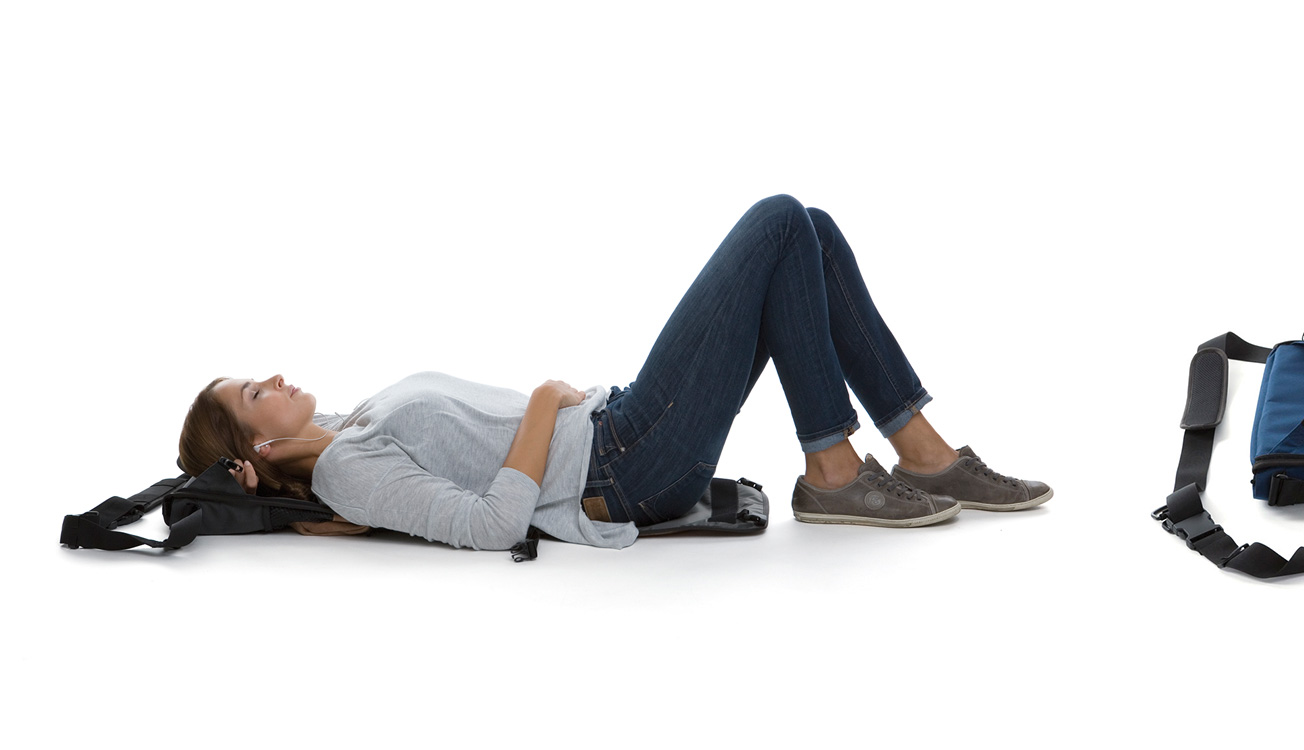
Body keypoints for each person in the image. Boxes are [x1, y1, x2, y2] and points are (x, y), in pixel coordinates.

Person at [176, 195, 1052, 551]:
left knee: (807, 228)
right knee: (780, 220)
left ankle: (920, 452)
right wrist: (548, 402)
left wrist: (564, 405)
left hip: (620, 430)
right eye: (257, 391)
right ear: (253, 442)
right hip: (620, 470)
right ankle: (834, 470)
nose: (276, 376)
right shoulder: (346, 470)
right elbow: (488, 526)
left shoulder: (354, 423)